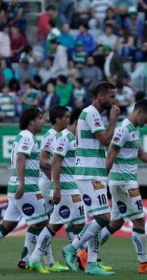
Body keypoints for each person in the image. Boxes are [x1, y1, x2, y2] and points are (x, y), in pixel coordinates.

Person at [0, 108, 47, 272]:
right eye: (40, 118)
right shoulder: (28, 137)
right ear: (31, 121)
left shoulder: (22, 137)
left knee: (7, 225)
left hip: (14, 186)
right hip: (26, 187)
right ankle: (30, 259)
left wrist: (55, 167)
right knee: (44, 223)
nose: (43, 121)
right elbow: (21, 158)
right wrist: (22, 183)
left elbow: (34, 162)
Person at [62, 81, 120, 276]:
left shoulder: (92, 114)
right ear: (100, 96)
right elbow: (105, 140)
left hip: (94, 173)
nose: (114, 101)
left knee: (96, 218)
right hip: (89, 174)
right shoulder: (91, 113)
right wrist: (114, 120)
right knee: (104, 217)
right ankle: (72, 248)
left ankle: (92, 263)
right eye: (111, 96)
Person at [86, 99, 147, 274]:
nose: (146, 123)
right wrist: (102, 178)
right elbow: (112, 152)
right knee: (139, 221)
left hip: (124, 181)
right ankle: (143, 263)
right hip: (123, 182)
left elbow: (140, 154)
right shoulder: (123, 129)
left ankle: (85, 252)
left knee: (116, 222)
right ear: (140, 112)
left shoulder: (134, 130)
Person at [29, 108, 85, 273]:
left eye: (69, 116)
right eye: (66, 117)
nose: (67, 120)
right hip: (55, 185)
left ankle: (39, 258)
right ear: (58, 119)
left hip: (64, 185)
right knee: (53, 223)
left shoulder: (71, 137)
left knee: (54, 223)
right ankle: (75, 256)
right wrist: (56, 184)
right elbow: (45, 162)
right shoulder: (53, 136)